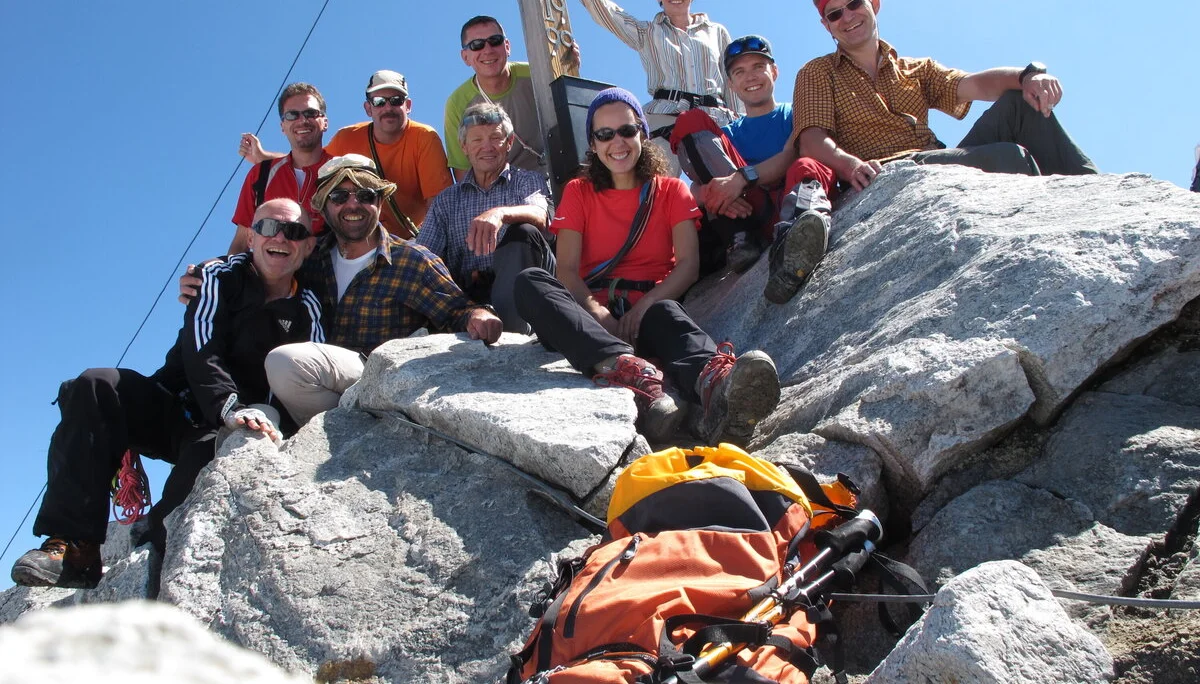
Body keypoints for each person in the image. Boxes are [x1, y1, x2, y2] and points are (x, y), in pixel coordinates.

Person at [12, 199, 324, 589]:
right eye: (266, 228)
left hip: (230, 427)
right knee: (95, 385)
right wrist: (225, 405)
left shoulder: (308, 307)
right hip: (178, 405)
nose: (279, 238)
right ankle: (74, 547)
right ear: (250, 236)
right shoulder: (217, 276)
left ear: (309, 246)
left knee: (197, 470)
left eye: (293, 232)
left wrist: (242, 419)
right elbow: (201, 345)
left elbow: (298, 378)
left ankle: (155, 561)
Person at [513, 88, 780, 447]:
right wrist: (598, 314)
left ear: (642, 132)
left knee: (668, 313)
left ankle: (717, 387)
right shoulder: (578, 191)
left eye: (626, 130)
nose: (617, 142)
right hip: (587, 314)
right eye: (604, 134)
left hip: (650, 305)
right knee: (531, 282)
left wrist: (644, 306)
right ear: (592, 143)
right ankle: (622, 366)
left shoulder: (671, 191)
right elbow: (568, 272)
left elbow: (687, 265)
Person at [262, 154, 502, 426]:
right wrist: (205, 272)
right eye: (339, 197)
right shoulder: (308, 259)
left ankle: (350, 433)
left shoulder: (413, 260)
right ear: (324, 207)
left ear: (380, 202)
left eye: (365, 194)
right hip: (320, 381)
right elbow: (260, 263)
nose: (353, 204)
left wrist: (479, 316)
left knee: (285, 363)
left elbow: (457, 310)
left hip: (381, 378)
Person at [795, 0, 1098, 192]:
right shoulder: (818, 72)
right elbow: (811, 139)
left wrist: (1028, 75)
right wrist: (850, 166)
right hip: (884, 172)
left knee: (1020, 102)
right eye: (835, 14)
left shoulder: (916, 69)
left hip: (934, 159)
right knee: (1009, 156)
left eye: (854, 3)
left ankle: (1094, 190)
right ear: (827, 26)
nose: (847, 16)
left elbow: (974, 85)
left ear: (874, 3)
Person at [672, 35, 838, 304]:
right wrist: (713, 193)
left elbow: (791, 154)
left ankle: (796, 242)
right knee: (690, 121)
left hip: (790, 197)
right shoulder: (724, 136)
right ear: (731, 84)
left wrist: (742, 178)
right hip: (750, 212)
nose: (750, 77)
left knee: (808, 164)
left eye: (758, 67)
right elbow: (695, 188)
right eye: (739, 71)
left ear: (774, 71)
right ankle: (741, 237)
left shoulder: (796, 113)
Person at [242, 70, 453, 239]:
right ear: (368, 108)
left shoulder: (424, 137)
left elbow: (439, 206)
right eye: (379, 101)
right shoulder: (347, 138)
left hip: (415, 239)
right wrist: (264, 157)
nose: (387, 107)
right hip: (365, 239)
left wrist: (424, 251)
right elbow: (312, 160)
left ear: (408, 106)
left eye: (396, 100)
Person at [419, 103, 556, 334]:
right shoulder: (447, 200)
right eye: (477, 140)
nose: (487, 147)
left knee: (524, 232)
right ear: (464, 147)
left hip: (524, 291)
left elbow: (541, 215)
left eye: (496, 137)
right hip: (469, 297)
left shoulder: (527, 180)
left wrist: (500, 214)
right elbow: (423, 255)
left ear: (509, 143)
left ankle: (514, 336)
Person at [578, 0, 742, 173]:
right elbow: (609, 14)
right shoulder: (648, 32)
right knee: (657, 184)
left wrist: (742, 122)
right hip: (665, 115)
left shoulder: (716, 32)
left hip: (715, 118)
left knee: (731, 184)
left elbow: (732, 80)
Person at [229, 83, 332, 254]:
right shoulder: (261, 176)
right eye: (292, 115)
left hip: (329, 275)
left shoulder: (343, 173)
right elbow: (241, 242)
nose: (302, 120)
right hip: (272, 276)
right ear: (282, 126)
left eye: (311, 113)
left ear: (325, 123)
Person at [444, 16, 546, 181]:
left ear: (507, 46)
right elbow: (463, 171)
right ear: (465, 57)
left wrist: (568, 66)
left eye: (495, 40)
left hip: (554, 176)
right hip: (497, 190)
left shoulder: (537, 74)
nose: (488, 50)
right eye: (477, 45)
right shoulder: (457, 104)